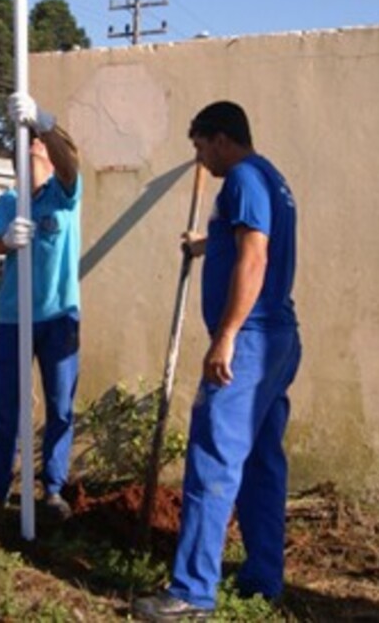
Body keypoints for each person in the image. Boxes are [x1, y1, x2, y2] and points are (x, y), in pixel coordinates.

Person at [135, 101, 301, 621]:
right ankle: (263, 578)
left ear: (222, 139)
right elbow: (244, 239)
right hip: (278, 340)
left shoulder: (243, 179)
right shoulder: (270, 178)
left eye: (201, 147)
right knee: (261, 463)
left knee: (212, 461)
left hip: (247, 342)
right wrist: (204, 245)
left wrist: (225, 335)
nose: (201, 160)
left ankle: (191, 593)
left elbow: (255, 257)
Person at [0, 91, 82, 522]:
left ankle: (53, 489)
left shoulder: (64, 193)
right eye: (30, 144)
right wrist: (6, 241)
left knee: (60, 407)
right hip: (14, 318)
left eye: (39, 144)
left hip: (59, 317)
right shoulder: (8, 201)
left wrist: (43, 121)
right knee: (7, 409)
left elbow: (70, 162)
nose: (36, 145)